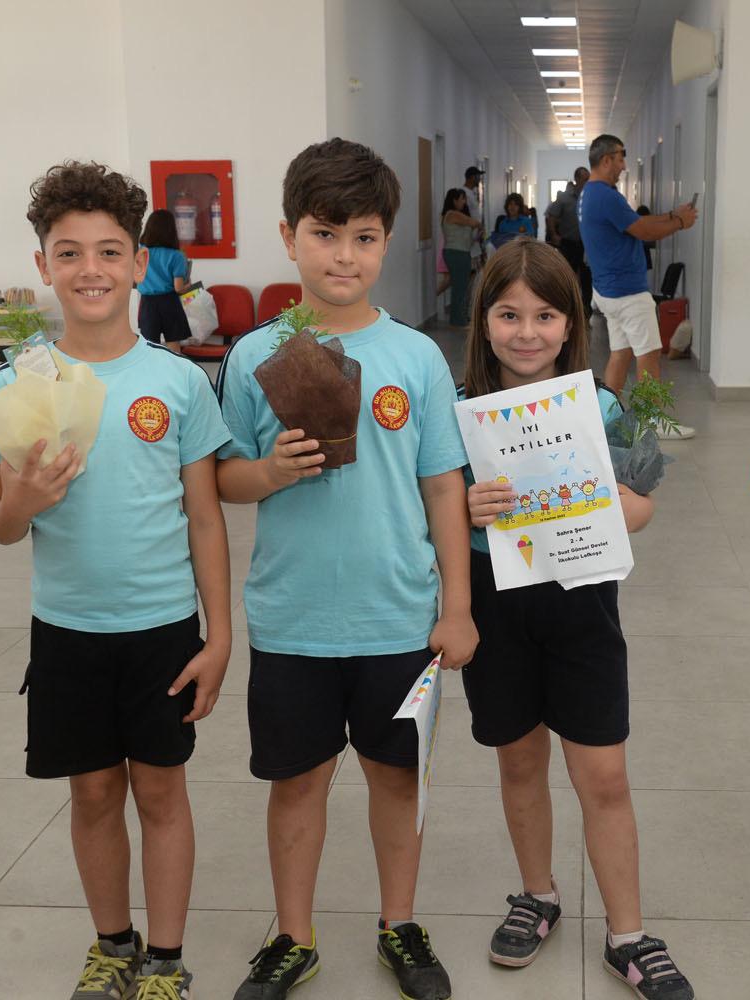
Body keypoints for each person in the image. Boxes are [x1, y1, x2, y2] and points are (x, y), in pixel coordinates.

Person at [0, 161, 233, 1000]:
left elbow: (205, 519)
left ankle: (166, 959)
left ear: (138, 264)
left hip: (162, 630)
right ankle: (113, 945)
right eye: (69, 252)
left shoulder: (177, 381)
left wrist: (220, 637)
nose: (91, 269)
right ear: (42, 264)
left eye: (110, 251)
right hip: (68, 630)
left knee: (161, 792)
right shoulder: (19, 384)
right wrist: (24, 501)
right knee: (91, 794)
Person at [216, 138, 477, 1000]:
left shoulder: (416, 357)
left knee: (396, 778)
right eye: (324, 234)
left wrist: (457, 608)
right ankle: (293, 936)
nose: (343, 256)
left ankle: (399, 923)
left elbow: (443, 487)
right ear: (288, 236)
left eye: (364, 237)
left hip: (398, 616)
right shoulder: (255, 356)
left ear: (387, 243)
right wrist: (272, 471)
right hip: (292, 617)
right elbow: (224, 478)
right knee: (296, 784)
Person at [460, 239, 695, 1000]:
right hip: (496, 606)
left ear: (571, 325)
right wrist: (464, 505)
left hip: (583, 606)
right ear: (483, 320)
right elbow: (432, 511)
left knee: (604, 774)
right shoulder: (459, 415)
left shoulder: (601, 406)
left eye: (545, 316)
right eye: (509, 315)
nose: (526, 332)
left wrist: (623, 505)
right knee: (519, 761)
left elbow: (645, 505)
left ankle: (629, 935)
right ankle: (538, 895)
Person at [578, 134, 698, 437]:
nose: (623, 165)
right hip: (627, 292)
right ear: (606, 159)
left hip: (608, 290)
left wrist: (672, 215)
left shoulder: (592, 193)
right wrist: (680, 223)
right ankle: (652, 422)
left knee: (621, 353)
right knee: (649, 353)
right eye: (620, 157)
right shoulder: (605, 195)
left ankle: (606, 419)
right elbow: (643, 231)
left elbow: (635, 222)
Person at [137, 208, 193, 351]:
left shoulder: (139, 252)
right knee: (173, 345)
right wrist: (189, 285)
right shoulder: (176, 255)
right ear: (171, 230)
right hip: (169, 302)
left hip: (147, 303)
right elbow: (178, 288)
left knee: (150, 347)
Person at [545, 167, 590, 305]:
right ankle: (567, 303)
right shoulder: (564, 198)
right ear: (577, 179)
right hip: (568, 243)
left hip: (587, 245)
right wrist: (554, 234)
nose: (588, 182)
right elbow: (551, 216)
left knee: (586, 276)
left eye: (589, 179)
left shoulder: (591, 197)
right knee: (567, 274)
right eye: (585, 179)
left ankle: (585, 307)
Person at [441, 187, 481, 328]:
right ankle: (458, 320)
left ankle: (459, 318)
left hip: (462, 253)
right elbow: (474, 222)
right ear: (454, 200)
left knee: (462, 286)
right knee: (460, 287)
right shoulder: (452, 214)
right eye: (462, 199)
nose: (464, 202)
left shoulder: (458, 216)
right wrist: (477, 225)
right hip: (456, 253)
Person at [463, 165, 487, 266]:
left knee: (476, 265)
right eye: (478, 177)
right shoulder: (464, 194)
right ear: (472, 177)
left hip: (475, 236)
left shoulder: (472, 193)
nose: (479, 180)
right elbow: (465, 215)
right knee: (470, 266)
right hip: (468, 236)